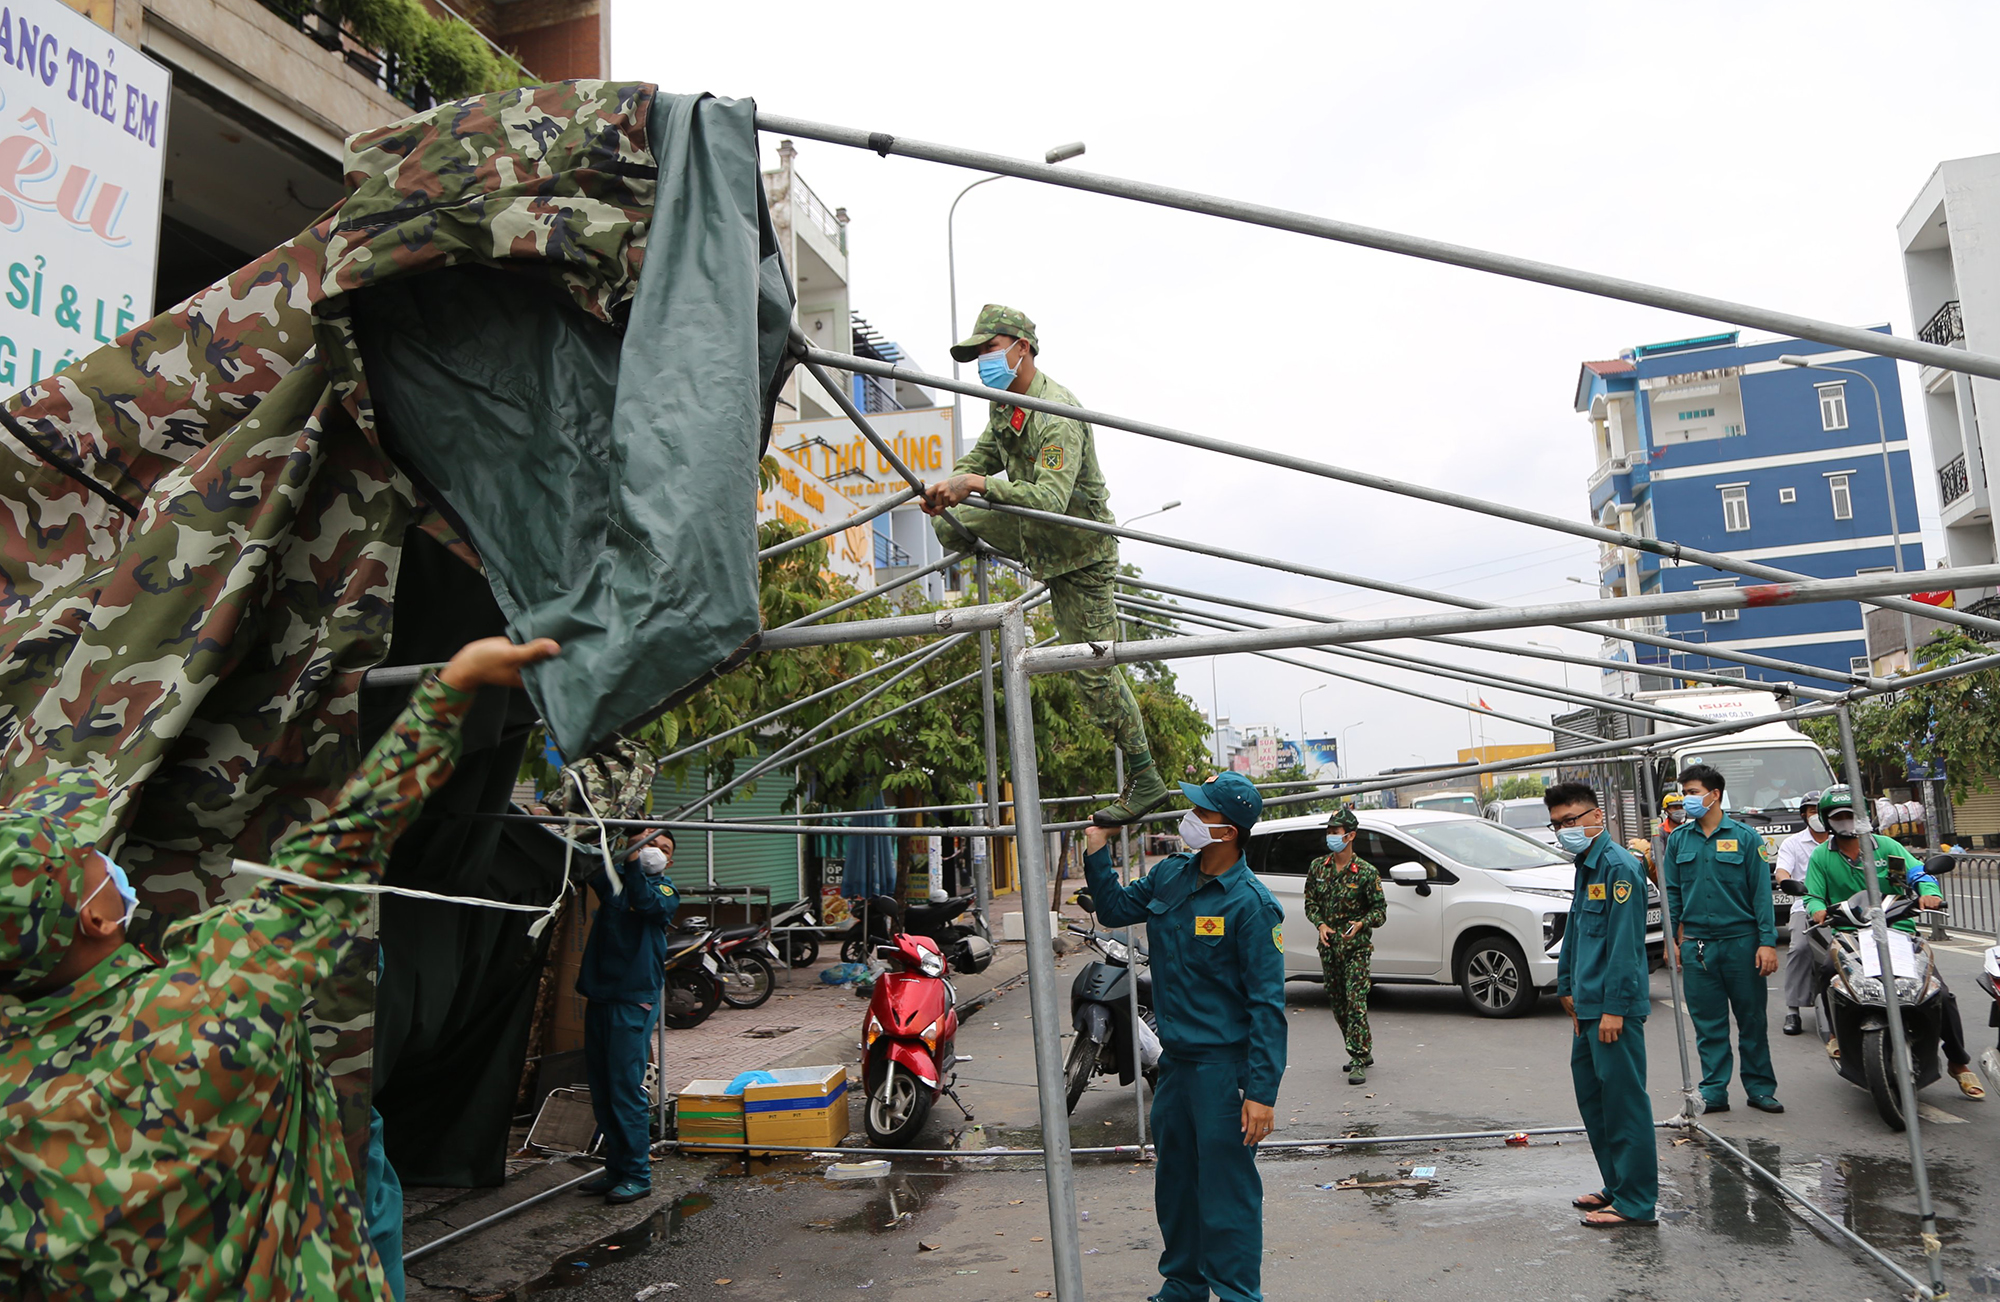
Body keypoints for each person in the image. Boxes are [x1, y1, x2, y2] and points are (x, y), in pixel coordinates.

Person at [0, 635, 561, 1300]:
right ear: (94, 918)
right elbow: (335, 854)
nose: (107, 857)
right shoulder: (212, 999)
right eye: (90, 857)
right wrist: (452, 691)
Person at [925, 304, 1165, 827]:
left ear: (1021, 348)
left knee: (1093, 669)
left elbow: (1051, 499)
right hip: (1038, 538)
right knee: (949, 522)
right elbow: (981, 458)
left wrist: (976, 486)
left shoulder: (1056, 414)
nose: (982, 363)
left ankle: (1147, 778)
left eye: (988, 350)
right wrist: (952, 483)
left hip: (1079, 550)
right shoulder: (1004, 403)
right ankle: (964, 530)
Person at [1081, 772, 1286, 1302]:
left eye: (1203, 813)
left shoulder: (1251, 906)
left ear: (1229, 831)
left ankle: (1239, 1294)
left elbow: (1268, 1008)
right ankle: (1184, 1287)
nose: (1189, 819)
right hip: (1173, 1067)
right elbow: (1115, 910)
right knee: (1176, 1187)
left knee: (1228, 1195)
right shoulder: (1172, 875)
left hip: (1225, 1073)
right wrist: (1097, 851)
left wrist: (1262, 1093)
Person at [1803, 786, 1985, 1099]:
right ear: (1828, 821)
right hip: (1850, 933)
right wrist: (1816, 909)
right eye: (1841, 817)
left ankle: (1958, 1062)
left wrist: (1930, 893)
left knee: (1939, 993)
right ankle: (1836, 1033)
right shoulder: (1822, 856)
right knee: (1825, 973)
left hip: (1899, 930)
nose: (1848, 821)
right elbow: (1813, 894)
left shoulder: (1887, 845)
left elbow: (1919, 874)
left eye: (1853, 815)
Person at [1546, 781, 1657, 1229]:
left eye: (1571, 820)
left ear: (1596, 817)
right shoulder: (1585, 865)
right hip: (1587, 1006)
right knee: (1595, 1101)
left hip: (1613, 1009)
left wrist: (1614, 1008)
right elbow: (1575, 932)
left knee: (1624, 1103)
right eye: (1557, 824)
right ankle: (1617, 1184)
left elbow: (1627, 947)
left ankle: (1637, 1202)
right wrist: (1567, 988)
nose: (1564, 830)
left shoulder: (1619, 867)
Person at [1664, 764, 1782, 1115]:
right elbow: (1672, 893)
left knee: (1752, 1020)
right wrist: (1671, 939)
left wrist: (1767, 942)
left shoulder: (1746, 838)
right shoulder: (1679, 841)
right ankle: (1714, 1090)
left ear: (1715, 795)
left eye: (1694, 792)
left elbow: (1762, 894)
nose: (1687, 799)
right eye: (1685, 793)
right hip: (1698, 944)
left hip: (1742, 942)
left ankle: (1760, 1088)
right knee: (1708, 1023)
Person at [576, 826, 682, 1203]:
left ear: (670, 860)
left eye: (662, 848)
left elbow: (646, 901)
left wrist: (636, 861)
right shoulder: (617, 884)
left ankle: (638, 1173)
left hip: (632, 1001)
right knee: (603, 1089)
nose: (653, 850)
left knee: (624, 1088)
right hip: (602, 996)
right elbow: (590, 864)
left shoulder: (665, 892)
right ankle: (616, 1168)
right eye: (648, 842)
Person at [1302, 807, 1384, 1084]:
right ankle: (1362, 1047)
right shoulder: (1318, 868)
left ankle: (1358, 1057)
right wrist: (1321, 925)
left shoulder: (1366, 873)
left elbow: (1380, 912)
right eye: (1329, 832)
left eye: (1335, 832)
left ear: (1350, 836)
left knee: (1355, 1000)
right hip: (1329, 947)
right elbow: (1311, 903)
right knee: (1338, 1003)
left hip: (1357, 949)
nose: (1331, 837)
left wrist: (1361, 924)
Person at [1774, 790, 1829, 1035]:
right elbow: (1782, 871)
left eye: (1821, 810)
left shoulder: (1846, 840)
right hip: (1805, 905)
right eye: (1812, 810)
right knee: (1799, 948)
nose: (1817, 815)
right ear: (1804, 815)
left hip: (1845, 908)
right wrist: (1787, 882)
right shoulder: (1792, 843)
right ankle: (1793, 1009)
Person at [1625, 790, 1686, 883]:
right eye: (1675, 807)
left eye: (1681, 807)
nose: (1679, 810)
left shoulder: (1687, 830)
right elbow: (1656, 855)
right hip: (1667, 877)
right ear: (1666, 810)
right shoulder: (1659, 830)